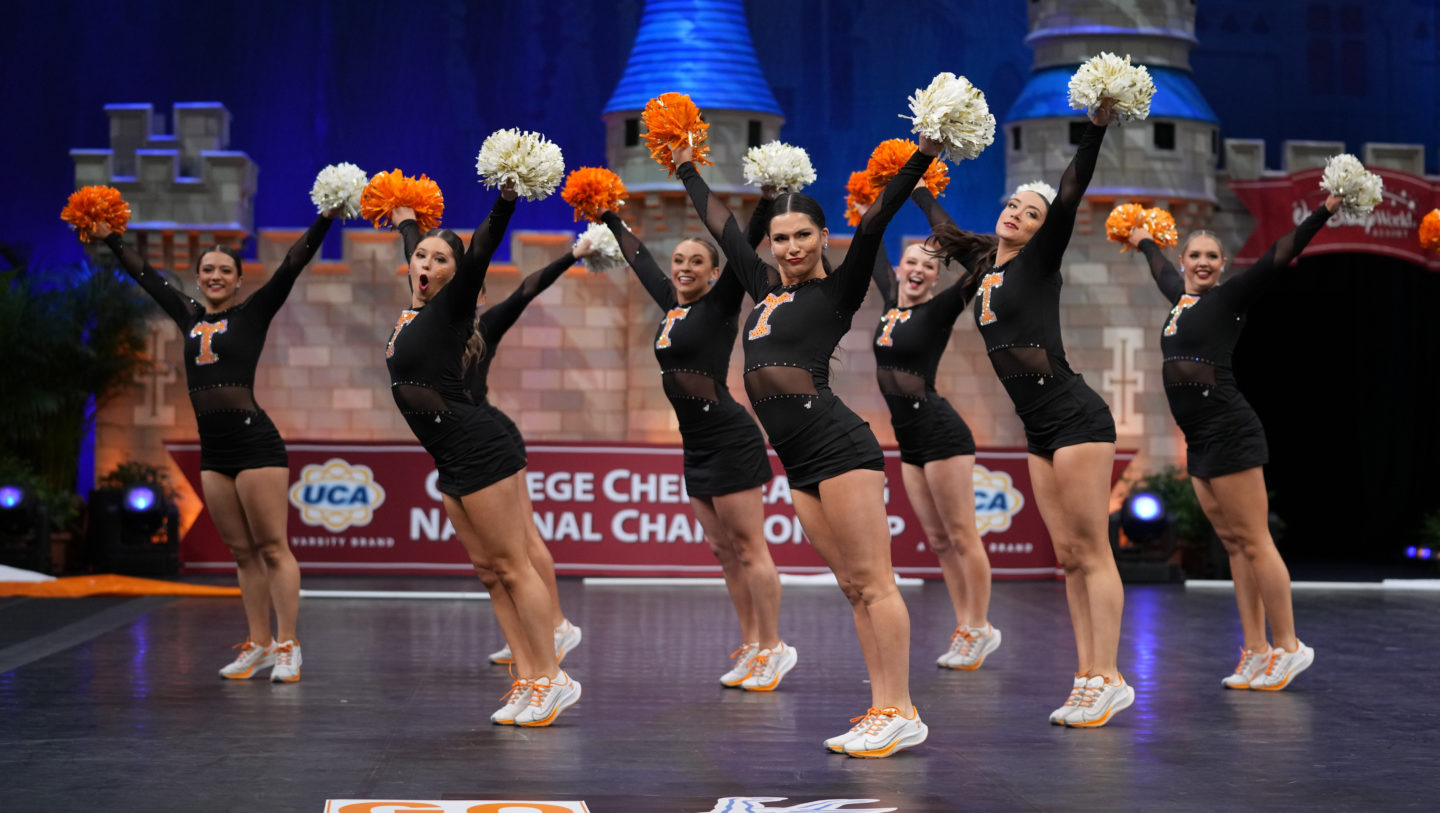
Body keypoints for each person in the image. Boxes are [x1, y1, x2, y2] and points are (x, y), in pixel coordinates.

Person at [674, 134, 939, 758]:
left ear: (822, 238)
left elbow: (876, 219)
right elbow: (724, 229)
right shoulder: (763, 284)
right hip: (797, 459)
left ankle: (899, 707)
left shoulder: (837, 290)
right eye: (781, 237)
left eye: (802, 236)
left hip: (841, 446)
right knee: (851, 585)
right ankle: (881, 707)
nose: (789, 247)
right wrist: (686, 168)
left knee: (875, 581)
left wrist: (922, 155)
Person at [927, 99, 1132, 727]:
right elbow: (939, 221)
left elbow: (1070, 192)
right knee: (1066, 556)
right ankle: (1085, 674)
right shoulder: (986, 267)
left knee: (1093, 550)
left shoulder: (1041, 261)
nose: (1018, 213)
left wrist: (1093, 129)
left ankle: (1109, 675)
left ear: (1046, 229)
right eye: (1014, 205)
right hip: (1038, 429)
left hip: (1076, 419)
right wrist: (912, 171)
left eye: (1032, 212)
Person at [96, 204, 338, 683]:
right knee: (242, 553)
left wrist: (325, 218)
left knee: (272, 547)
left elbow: (293, 263)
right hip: (215, 452)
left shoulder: (252, 314)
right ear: (198, 276)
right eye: (207, 269)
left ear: (238, 280)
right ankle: (259, 643)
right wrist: (112, 238)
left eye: (225, 270)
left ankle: (289, 644)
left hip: (256, 445)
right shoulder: (187, 316)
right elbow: (146, 275)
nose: (214, 276)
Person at [1126, 194, 1339, 691]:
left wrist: (1324, 210)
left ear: (1223, 267)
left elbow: (1279, 254)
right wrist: (1142, 241)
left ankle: (1289, 645)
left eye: (1211, 258)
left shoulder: (1230, 298)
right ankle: (1255, 649)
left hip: (1230, 429)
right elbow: (1159, 267)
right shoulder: (1179, 297)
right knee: (1234, 546)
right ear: (1185, 263)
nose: (1202, 263)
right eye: (1194, 256)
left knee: (1256, 540)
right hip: (1198, 438)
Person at [384, 186, 579, 727]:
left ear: (456, 272)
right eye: (420, 256)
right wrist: (408, 223)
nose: (425, 264)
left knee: (515, 566)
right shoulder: (416, 304)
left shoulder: (452, 306)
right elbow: (418, 254)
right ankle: (528, 676)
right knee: (490, 574)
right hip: (449, 457)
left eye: (440, 259)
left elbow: (484, 248)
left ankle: (552, 678)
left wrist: (506, 198)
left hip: (478, 445)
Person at [599, 199, 790, 691]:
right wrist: (607, 215)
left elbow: (743, 241)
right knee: (723, 552)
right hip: (696, 444)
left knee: (750, 549)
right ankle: (751, 645)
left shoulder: (722, 302)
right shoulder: (671, 304)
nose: (684, 269)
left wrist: (768, 197)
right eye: (679, 261)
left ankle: (774, 646)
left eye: (696, 263)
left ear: (714, 273)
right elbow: (639, 257)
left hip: (730, 437)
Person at [867, 186, 997, 671]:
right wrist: (874, 203)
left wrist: (923, 198)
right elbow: (871, 238)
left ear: (936, 274)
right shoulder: (887, 302)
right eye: (912, 263)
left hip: (944, 435)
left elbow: (981, 264)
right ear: (899, 269)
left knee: (963, 535)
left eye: (929, 264)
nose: (918, 270)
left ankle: (979, 626)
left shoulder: (939, 309)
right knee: (940, 542)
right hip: (911, 443)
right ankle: (965, 626)